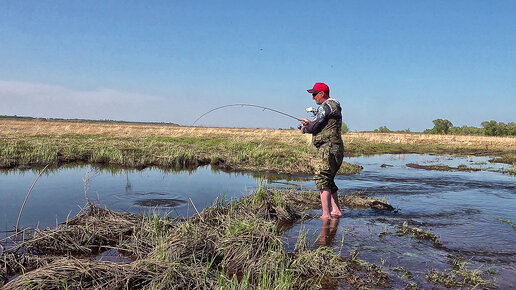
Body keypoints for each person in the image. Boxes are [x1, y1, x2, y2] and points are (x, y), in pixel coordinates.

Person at [300, 82, 344, 220]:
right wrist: (310, 123)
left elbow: (315, 126)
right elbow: (320, 124)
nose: (313, 98)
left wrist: (305, 129)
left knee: (322, 178)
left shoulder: (327, 106)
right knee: (329, 179)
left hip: (328, 148)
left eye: (314, 94)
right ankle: (336, 210)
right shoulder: (331, 107)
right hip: (335, 147)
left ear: (322, 94)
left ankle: (326, 215)